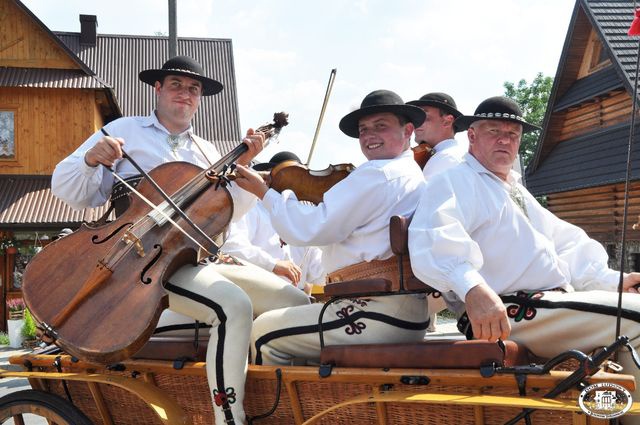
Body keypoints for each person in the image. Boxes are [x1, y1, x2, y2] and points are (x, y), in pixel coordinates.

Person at [51, 55, 309, 425]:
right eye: (176, 85)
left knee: (294, 302)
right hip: (134, 263)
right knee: (232, 306)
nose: (185, 94)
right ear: (157, 88)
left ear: (200, 98)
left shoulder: (207, 152)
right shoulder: (124, 130)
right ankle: (228, 419)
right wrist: (91, 159)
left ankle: (276, 403)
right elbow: (67, 187)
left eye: (193, 89)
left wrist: (247, 165)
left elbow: (227, 217)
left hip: (190, 260)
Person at [408, 96, 640, 420]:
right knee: (636, 320)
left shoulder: (512, 187)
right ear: (471, 136)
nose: (505, 140)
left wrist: (613, 281)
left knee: (629, 327)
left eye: (513, 134)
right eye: (494, 131)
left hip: (542, 306)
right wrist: (473, 288)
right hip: (504, 312)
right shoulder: (455, 180)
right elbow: (433, 238)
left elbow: (565, 242)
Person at [233, 89, 430, 365]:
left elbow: (311, 229)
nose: (369, 135)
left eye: (380, 126)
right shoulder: (410, 173)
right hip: (408, 312)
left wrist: (265, 194)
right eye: (363, 129)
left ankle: (287, 410)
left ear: (408, 130)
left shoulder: (378, 174)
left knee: (264, 331)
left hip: (375, 312)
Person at [223, 151, 325, 292]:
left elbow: (320, 273)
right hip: (256, 291)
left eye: (299, 179)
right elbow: (232, 245)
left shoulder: (303, 219)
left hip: (294, 300)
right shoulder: (252, 207)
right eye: (288, 177)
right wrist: (273, 264)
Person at [406, 92, 464, 331]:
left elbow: (418, 211)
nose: (416, 125)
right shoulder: (444, 156)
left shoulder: (444, 159)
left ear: (447, 121)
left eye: (425, 118)